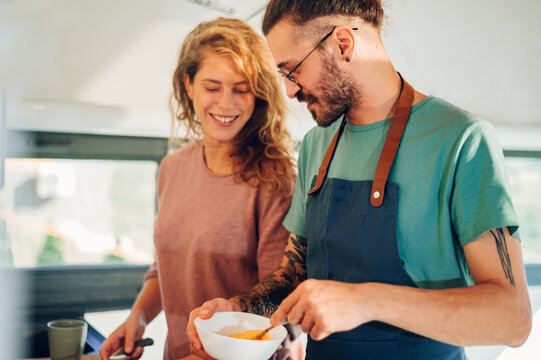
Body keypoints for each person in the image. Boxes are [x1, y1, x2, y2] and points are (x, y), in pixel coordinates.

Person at [186, 1, 533, 359]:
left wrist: (366, 300)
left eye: (293, 70)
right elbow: (295, 273)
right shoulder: (316, 144)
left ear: (342, 44)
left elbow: (512, 319)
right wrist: (237, 308)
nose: (290, 91)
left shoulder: (461, 140)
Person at [99, 17, 304, 360]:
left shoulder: (276, 180)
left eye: (241, 88)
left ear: (258, 94)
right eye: (213, 87)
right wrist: (138, 318)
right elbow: (168, 264)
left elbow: (281, 300)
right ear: (188, 84)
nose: (226, 103)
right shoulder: (172, 167)